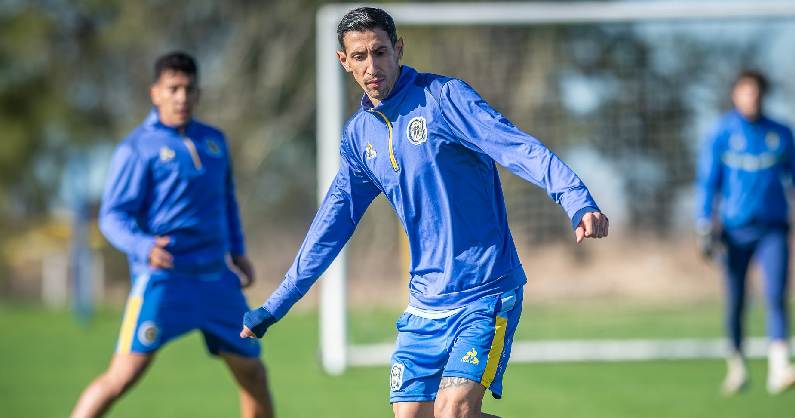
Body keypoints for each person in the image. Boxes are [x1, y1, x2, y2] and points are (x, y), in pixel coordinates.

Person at [241, 7, 608, 418]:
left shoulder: (444, 98)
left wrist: (576, 198)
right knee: (412, 415)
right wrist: (276, 304)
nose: (372, 66)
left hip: (485, 291)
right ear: (344, 61)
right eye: (359, 56)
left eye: (380, 52)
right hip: (424, 303)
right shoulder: (359, 137)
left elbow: (515, 146)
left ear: (398, 49)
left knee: (452, 412)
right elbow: (331, 225)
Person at [70, 52, 274, 418]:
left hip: (217, 281)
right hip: (164, 280)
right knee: (122, 377)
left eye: (189, 89)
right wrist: (142, 246)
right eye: (173, 88)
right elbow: (112, 216)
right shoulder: (137, 147)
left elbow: (226, 201)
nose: (182, 97)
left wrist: (238, 250)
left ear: (199, 94)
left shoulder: (215, 141)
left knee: (254, 373)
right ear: (156, 93)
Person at [695, 69, 795, 395]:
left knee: (776, 294)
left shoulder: (781, 133)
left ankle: (779, 368)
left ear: (764, 94)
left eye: (756, 92)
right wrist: (703, 222)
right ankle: (736, 365)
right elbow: (708, 181)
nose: (751, 97)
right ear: (735, 95)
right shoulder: (720, 133)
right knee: (737, 300)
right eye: (745, 91)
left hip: (773, 228)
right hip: (734, 231)